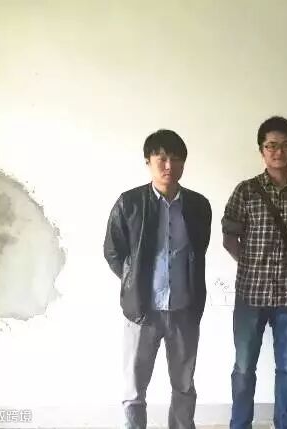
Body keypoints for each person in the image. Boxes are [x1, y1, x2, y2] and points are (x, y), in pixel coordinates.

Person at [222, 116, 287, 429]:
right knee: (244, 368)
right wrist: (250, 262)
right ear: (261, 150)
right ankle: (240, 424)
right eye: (271, 146)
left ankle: (285, 424)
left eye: (285, 145)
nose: (278, 151)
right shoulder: (246, 191)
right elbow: (229, 234)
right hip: (250, 294)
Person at [104, 129, 212, 429]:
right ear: (148, 162)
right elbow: (113, 251)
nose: (168, 166)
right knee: (134, 387)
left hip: (184, 310)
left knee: (184, 384)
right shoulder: (129, 203)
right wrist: (134, 282)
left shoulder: (198, 205)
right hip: (142, 312)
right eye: (161, 158)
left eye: (176, 159)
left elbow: (198, 251)